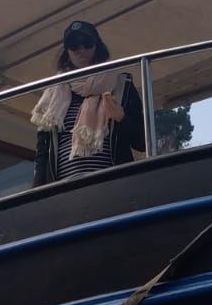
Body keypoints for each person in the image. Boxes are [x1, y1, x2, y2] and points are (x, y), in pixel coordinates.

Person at [29, 20, 145, 186]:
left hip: (114, 185)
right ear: (67, 51)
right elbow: (43, 151)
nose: (81, 49)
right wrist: (37, 193)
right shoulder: (53, 93)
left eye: (87, 43)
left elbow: (142, 142)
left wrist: (122, 118)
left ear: (97, 46)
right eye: (74, 45)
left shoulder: (121, 85)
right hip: (65, 190)